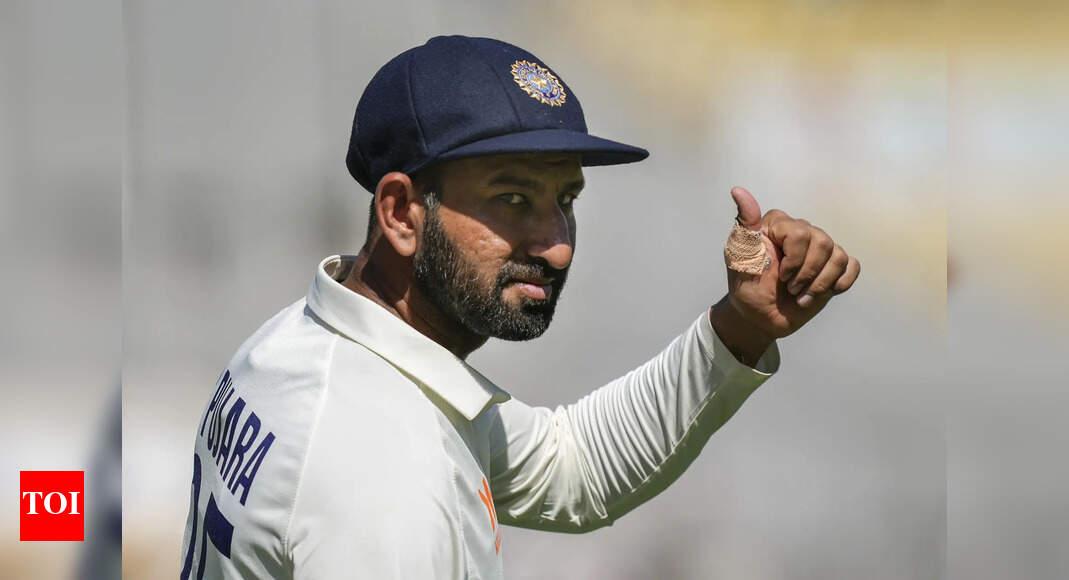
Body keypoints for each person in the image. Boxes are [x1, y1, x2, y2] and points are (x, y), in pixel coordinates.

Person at [179, 35, 860, 579]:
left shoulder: (296, 345)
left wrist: (739, 327)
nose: (557, 247)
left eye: (565, 200)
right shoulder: (387, 478)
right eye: (511, 199)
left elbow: (571, 468)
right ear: (401, 213)